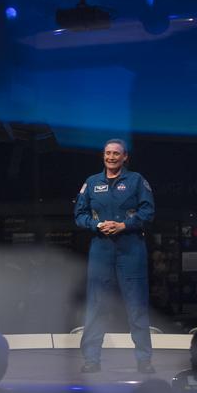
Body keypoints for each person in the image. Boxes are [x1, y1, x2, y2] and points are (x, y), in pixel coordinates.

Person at [74, 138, 156, 374]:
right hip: (101, 250)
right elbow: (79, 215)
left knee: (136, 306)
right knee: (96, 305)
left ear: (125, 157)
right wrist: (97, 225)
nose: (111, 157)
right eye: (108, 153)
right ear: (103, 156)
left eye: (116, 154)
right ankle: (91, 360)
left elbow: (148, 211)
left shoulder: (136, 180)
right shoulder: (91, 183)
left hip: (131, 250)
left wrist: (124, 225)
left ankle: (144, 360)